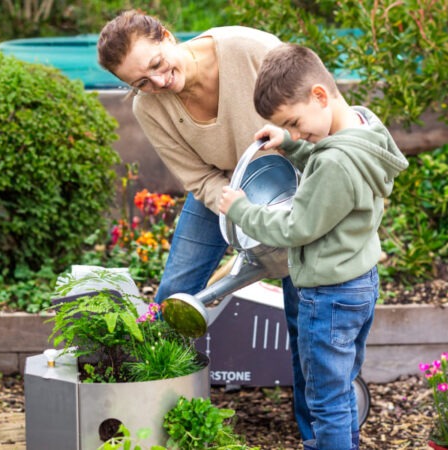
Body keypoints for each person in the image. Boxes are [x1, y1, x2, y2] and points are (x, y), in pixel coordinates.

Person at [97, 10, 316, 442]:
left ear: (168, 36)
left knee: (304, 312)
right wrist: (240, 212)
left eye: (157, 65)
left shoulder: (248, 48)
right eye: (140, 82)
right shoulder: (150, 107)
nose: (157, 83)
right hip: (220, 191)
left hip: (293, 187)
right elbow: (198, 179)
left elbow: (313, 115)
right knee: (172, 298)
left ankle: (316, 431)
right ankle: (150, 418)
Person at [219, 44, 409, 450]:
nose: (301, 131)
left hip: (329, 295)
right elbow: (330, 163)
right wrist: (291, 142)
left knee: (324, 398)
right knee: (339, 387)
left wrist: (241, 210)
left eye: (296, 121)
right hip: (359, 284)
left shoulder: (334, 163)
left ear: (319, 96)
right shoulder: (361, 128)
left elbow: (296, 226)